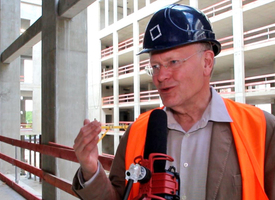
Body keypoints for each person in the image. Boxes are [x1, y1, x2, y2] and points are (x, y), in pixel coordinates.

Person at [72, 3, 275, 200]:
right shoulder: (137, 132)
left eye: (173, 62)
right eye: (156, 66)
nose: (160, 77)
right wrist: (91, 170)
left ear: (207, 62)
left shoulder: (262, 128)